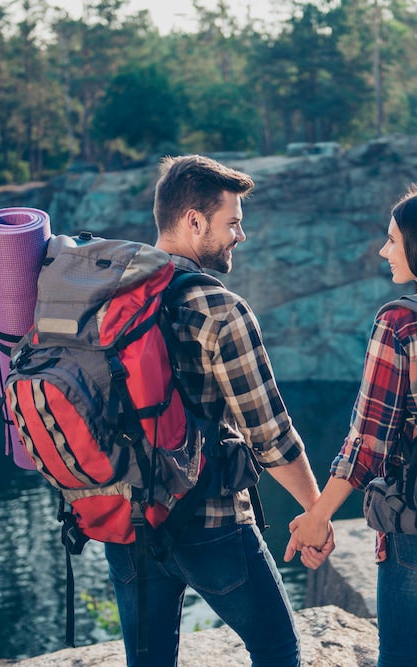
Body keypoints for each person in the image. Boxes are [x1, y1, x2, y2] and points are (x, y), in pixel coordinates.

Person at [104, 154, 333, 667]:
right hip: (210, 522)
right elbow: (270, 436)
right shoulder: (220, 310)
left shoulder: (108, 299)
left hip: (127, 521)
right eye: (232, 223)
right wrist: (315, 513)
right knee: (276, 649)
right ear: (194, 222)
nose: (240, 236)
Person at [285, 185, 417, 667]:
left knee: (399, 657)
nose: (384, 251)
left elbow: (369, 441)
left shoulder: (402, 322)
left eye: (392, 240)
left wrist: (318, 517)